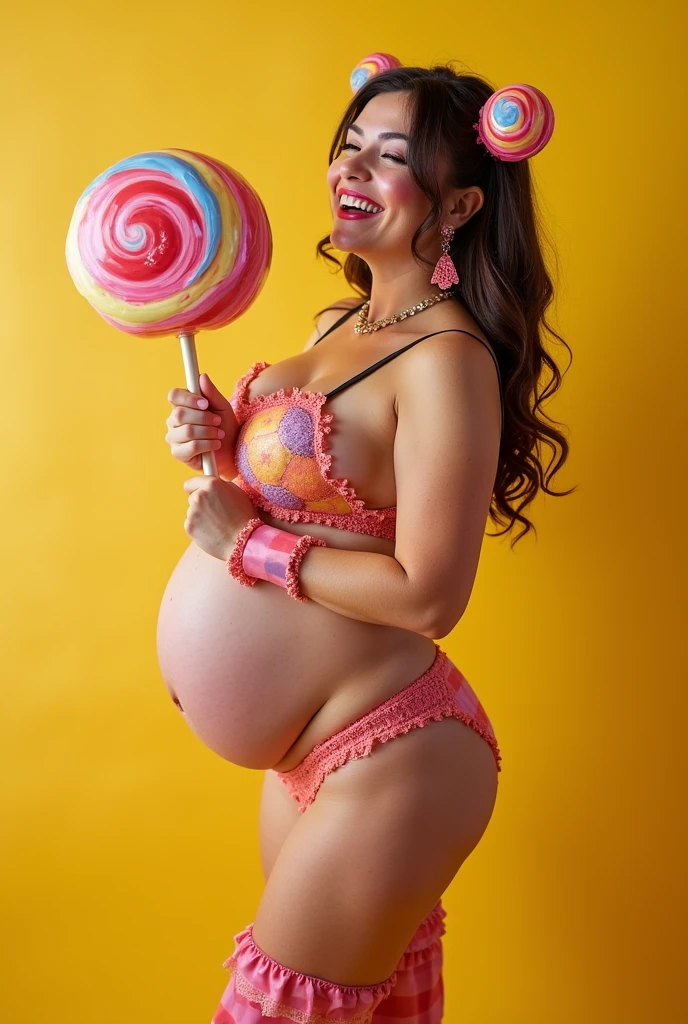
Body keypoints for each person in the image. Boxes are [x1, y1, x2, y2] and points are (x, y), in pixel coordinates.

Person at [163, 63, 571, 1024]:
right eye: (351, 144)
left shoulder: (449, 362)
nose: (354, 166)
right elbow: (316, 502)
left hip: (392, 750)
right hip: (306, 754)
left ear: (461, 201)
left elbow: (430, 594)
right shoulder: (338, 320)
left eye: (392, 156)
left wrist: (248, 552)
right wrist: (228, 445)